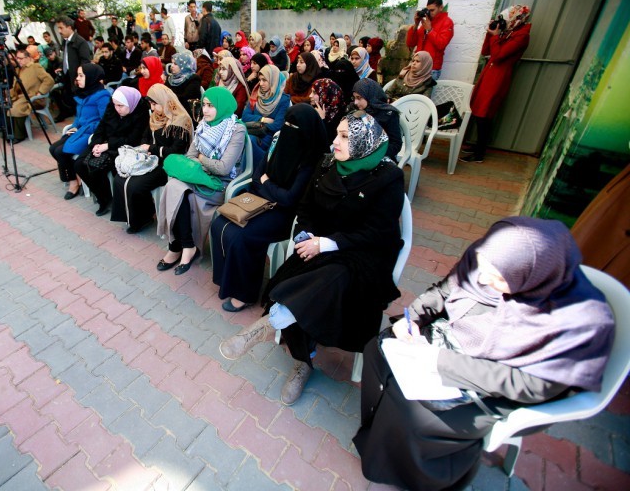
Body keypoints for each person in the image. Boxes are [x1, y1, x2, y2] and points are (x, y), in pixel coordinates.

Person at [353, 216, 615, 491]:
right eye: (482, 266)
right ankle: (378, 435)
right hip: (452, 340)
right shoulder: (490, 260)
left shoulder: (580, 323)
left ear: (532, 277)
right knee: (378, 351)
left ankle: (414, 475)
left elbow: (533, 385)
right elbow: (444, 290)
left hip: (496, 381)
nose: (481, 279)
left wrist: (440, 363)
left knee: (414, 410)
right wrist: (413, 319)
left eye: (498, 278)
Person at [219, 112, 405, 405]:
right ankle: (303, 361)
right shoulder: (327, 164)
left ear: (363, 141)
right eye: (337, 133)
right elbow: (305, 209)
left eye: (344, 136)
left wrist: (326, 243)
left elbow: (377, 232)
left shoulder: (388, 177)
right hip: (319, 245)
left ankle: (271, 323)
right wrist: (305, 236)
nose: (335, 141)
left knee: (331, 278)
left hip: (364, 255)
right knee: (308, 278)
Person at [211, 104, 327, 312]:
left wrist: (267, 184)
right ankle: (227, 281)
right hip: (262, 201)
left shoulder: (311, 159)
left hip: (285, 215)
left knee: (242, 236)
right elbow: (257, 176)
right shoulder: (278, 142)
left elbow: (290, 199)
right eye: (287, 123)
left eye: (294, 126)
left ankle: (244, 294)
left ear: (307, 130)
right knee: (220, 223)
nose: (288, 129)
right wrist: (270, 188)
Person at [156, 87, 246, 275]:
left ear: (222, 106)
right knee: (173, 186)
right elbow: (190, 156)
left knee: (179, 191)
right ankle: (180, 246)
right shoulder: (204, 125)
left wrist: (202, 159)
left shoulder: (236, 129)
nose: (205, 110)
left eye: (211, 106)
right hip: (198, 177)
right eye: (204, 105)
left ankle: (183, 247)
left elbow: (223, 168)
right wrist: (201, 162)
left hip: (219, 184)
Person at [111, 84, 193, 233]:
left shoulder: (180, 121)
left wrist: (151, 149)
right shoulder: (155, 117)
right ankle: (135, 216)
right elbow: (145, 137)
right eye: (151, 104)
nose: (152, 108)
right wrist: (146, 150)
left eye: (155, 104)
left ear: (165, 101)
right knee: (120, 178)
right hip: (150, 159)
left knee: (135, 185)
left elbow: (176, 151)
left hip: (167, 164)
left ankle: (143, 219)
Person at [462, 5, 532, 164]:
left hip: (498, 77)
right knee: (478, 111)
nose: (503, 23)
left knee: (484, 113)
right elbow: (486, 52)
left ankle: (479, 153)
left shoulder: (521, 36)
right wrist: (490, 34)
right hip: (489, 74)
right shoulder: (508, 32)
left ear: (516, 20)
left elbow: (498, 56)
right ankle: (478, 146)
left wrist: (495, 36)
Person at [75, 86, 148, 215]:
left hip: (123, 148)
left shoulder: (140, 112)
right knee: (79, 164)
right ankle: (103, 197)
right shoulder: (112, 107)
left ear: (130, 103)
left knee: (96, 168)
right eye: (115, 105)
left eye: (120, 106)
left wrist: (107, 146)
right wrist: (96, 145)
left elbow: (133, 139)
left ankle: (107, 200)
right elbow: (101, 127)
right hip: (104, 143)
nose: (117, 108)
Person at [49, 64, 112, 199]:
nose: (77, 78)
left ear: (91, 77)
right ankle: (73, 177)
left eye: (81, 75)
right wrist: (75, 126)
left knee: (61, 152)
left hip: (91, 133)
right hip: (80, 130)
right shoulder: (83, 92)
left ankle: (74, 183)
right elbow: (79, 116)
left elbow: (105, 121)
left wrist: (86, 127)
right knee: (53, 149)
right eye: (78, 75)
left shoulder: (102, 96)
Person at [242, 64, 290, 169]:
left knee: (250, 139)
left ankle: (248, 172)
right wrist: (263, 119)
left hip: (268, 136)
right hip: (252, 130)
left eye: (264, 80)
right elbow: (245, 116)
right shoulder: (257, 94)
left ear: (273, 81)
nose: (261, 83)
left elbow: (277, 125)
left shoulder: (283, 100)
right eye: (260, 80)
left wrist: (259, 125)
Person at [5, 48, 55, 143]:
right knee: (5, 105)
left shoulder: (35, 67)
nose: (18, 60)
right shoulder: (19, 69)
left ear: (28, 58)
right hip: (20, 97)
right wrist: (9, 96)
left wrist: (41, 92)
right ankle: (10, 132)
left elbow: (49, 80)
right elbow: (15, 87)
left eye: (21, 58)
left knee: (16, 108)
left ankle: (19, 135)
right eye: (17, 58)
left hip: (33, 98)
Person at [351, 78, 402, 160]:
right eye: (354, 98)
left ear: (369, 96)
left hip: (380, 157)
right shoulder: (355, 111)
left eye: (359, 98)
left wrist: (374, 153)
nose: (355, 102)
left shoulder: (388, 114)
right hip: (356, 155)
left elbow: (396, 144)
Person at [407, 0, 454, 80]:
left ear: (441, 8)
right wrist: (416, 24)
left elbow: (441, 44)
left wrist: (430, 30)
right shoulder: (427, 22)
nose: (430, 13)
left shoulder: (447, 22)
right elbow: (410, 43)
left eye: (432, 10)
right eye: (428, 10)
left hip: (431, 69)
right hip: (418, 66)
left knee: (425, 90)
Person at [55, 15, 92, 121]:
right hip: (67, 74)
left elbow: (85, 61)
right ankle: (68, 113)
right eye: (58, 28)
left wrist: (79, 77)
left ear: (69, 27)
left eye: (61, 28)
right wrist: (61, 67)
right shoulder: (65, 41)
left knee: (78, 101)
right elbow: (66, 57)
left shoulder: (80, 42)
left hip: (76, 78)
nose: (59, 31)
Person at [309, 78, 345, 150]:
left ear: (326, 95)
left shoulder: (341, 116)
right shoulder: (314, 109)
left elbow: (329, 142)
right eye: (311, 92)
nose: (310, 95)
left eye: (315, 93)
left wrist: (323, 119)